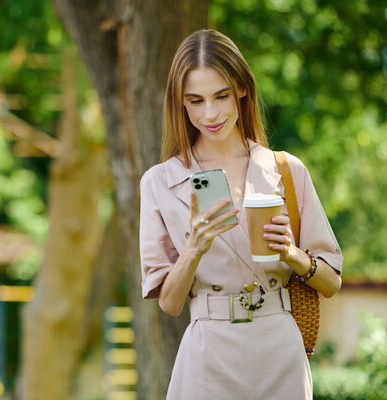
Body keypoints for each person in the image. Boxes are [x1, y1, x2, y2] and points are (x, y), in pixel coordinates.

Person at [139, 29, 343, 400]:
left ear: (242, 90)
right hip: (208, 353)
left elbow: (331, 283)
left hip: (279, 349)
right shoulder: (159, 182)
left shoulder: (286, 170)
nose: (211, 113)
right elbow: (169, 304)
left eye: (222, 96)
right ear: (180, 104)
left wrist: (291, 253)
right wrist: (195, 247)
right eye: (196, 100)